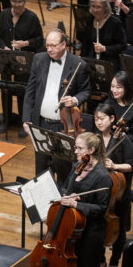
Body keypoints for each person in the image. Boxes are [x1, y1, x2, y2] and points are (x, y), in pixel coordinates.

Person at [22, 29, 91, 186]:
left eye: (53, 46)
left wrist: (75, 99)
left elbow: (86, 91)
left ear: (64, 44)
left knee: (63, 170)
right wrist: (26, 119)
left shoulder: (78, 64)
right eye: (47, 46)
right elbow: (30, 92)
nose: (49, 49)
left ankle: (59, 207)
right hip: (41, 124)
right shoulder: (39, 59)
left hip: (64, 127)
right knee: (40, 171)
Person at [61, 132, 111, 267]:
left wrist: (77, 205)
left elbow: (102, 208)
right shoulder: (77, 167)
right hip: (76, 228)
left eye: (79, 148)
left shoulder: (102, 176)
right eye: (76, 147)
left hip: (94, 231)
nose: (76, 151)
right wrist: (67, 195)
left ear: (91, 150)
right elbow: (67, 188)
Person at [0, 0, 44, 135]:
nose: (17, 5)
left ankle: (24, 122)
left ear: (25, 2)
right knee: (5, 89)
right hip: (7, 60)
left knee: (23, 91)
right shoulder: (3, 15)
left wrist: (25, 43)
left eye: (20, 2)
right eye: (14, 1)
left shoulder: (32, 18)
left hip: (24, 60)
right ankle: (7, 120)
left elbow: (39, 40)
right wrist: (4, 47)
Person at [94, 103, 132, 267]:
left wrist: (114, 166)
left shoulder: (123, 139)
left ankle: (115, 261)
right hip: (101, 191)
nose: (99, 122)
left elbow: (131, 165)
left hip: (119, 192)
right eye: (96, 119)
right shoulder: (95, 139)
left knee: (119, 231)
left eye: (102, 119)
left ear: (112, 118)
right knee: (98, 227)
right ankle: (100, 258)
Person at [81, 0, 126, 73]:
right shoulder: (91, 19)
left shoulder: (115, 22)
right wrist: (82, 60)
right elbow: (86, 42)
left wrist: (105, 48)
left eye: (98, 7)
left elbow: (123, 45)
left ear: (105, 8)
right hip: (91, 61)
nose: (95, 10)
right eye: (93, 6)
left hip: (109, 63)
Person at [105, 70, 133, 141]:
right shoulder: (107, 104)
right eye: (112, 86)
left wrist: (123, 137)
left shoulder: (131, 107)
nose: (114, 90)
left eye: (118, 87)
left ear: (127, 88)